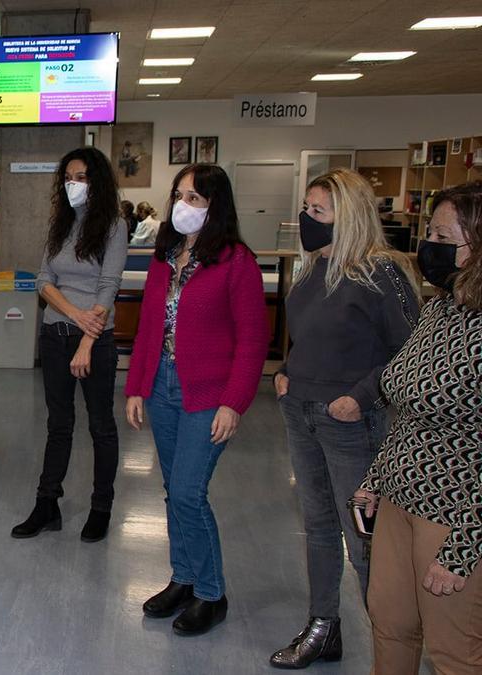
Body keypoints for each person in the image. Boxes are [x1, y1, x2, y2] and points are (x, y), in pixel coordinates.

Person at [269, 169, 421, 669]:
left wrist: (360, 395)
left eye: (319, 212)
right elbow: (313, 338)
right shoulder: (315, 269)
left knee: (364, 540)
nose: (306, 220)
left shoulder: (381, 273)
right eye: (307, 208)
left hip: (352, 424)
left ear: (349, 217)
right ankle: (323, 625)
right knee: (317, 527)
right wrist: (287, 370)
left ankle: (392, 643)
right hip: (301, 412)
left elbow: (411, 353)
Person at [125, 164, 269, 636]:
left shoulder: (236, 261)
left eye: (195, 199)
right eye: (179, 195)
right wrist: (136, 386)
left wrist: (234, 402)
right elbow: (149, 327)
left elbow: (252, 339)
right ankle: (182, 577)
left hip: (208, 391)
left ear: (215, 207)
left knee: (189, 491)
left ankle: (211, 592)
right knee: (174, 491)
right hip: (163, 385)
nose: (183, 206)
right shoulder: (165, 256)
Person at [355, 180, 482, 674]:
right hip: (400, 500)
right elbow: (407, 409)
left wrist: (463, 547)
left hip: (456, 514)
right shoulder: (438, 310)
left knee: (455, 654)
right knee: (390, 626)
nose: (429, 245)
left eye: (444, 236)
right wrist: (376, 479)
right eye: (430, 231)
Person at [11, 147, 128, 542]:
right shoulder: (59, 225)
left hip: (94, 341)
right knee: (58, 425)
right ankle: (47, 505)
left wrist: (86, 340)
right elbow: (44, 279)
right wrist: (72, 317)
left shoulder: (113, 225)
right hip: (55, 335)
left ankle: (101, 507)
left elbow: (109, 285)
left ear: (98, 181)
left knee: (101, 426)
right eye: (68, 177)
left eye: (81, 177)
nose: (73, 184)